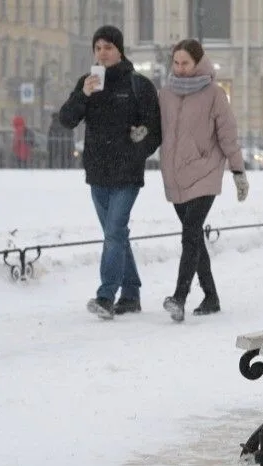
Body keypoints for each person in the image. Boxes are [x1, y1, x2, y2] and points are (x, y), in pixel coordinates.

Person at [59, 25, 162, 320]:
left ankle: (106, 296)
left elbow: (155, 131)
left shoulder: (138, 85)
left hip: (127, 173)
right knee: (114, 234)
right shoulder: (88, 82)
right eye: (98, 48)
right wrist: (82, 94)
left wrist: (138, 147)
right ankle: (131, 295)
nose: (102, 53)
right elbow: (66, 120)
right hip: (97, 172)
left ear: (120, 50)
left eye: (108, 47)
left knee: (114, 233)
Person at [158, 39, 249, 322]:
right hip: (175, 176)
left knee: (190, 233)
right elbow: (155, 130)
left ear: (198, 62)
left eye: (186, 63)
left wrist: (238, 172)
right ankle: (211, 296)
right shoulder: (165, 94)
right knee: (194, 235)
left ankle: (179, 297)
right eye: (177, 63)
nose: (181, 68)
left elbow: (227, 136)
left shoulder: (214, 94)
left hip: (206, 173)